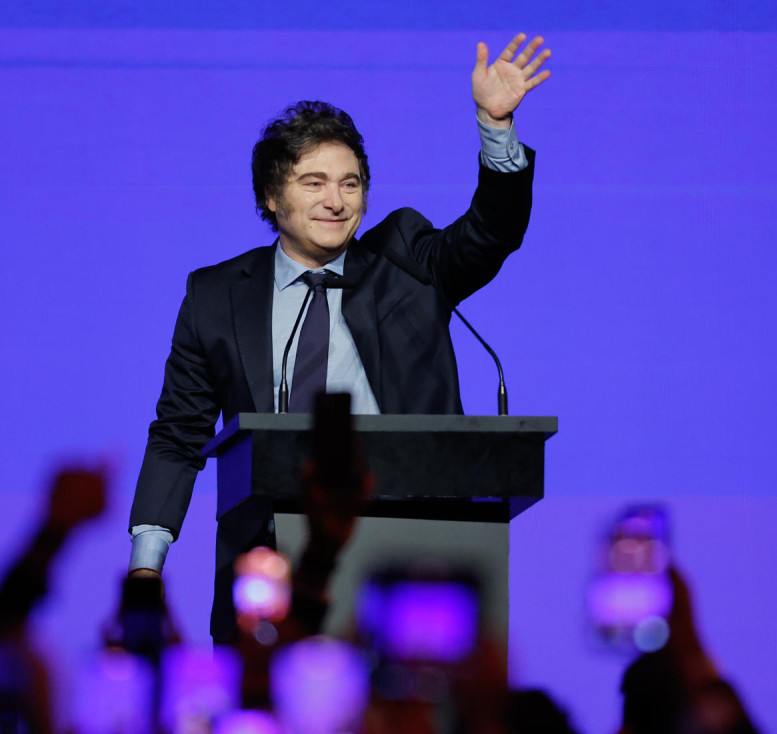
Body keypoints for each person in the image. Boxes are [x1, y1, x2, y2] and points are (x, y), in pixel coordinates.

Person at [128, 33, 551, 640]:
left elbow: (491, 235)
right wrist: (148, 565)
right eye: (314, 183)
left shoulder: (404, 260)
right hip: (267, 569)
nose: (336, 201)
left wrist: (496, 124)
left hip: (411, 556)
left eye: (350, 184)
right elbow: (178, 434)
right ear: (271, 198)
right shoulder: (216, 296)